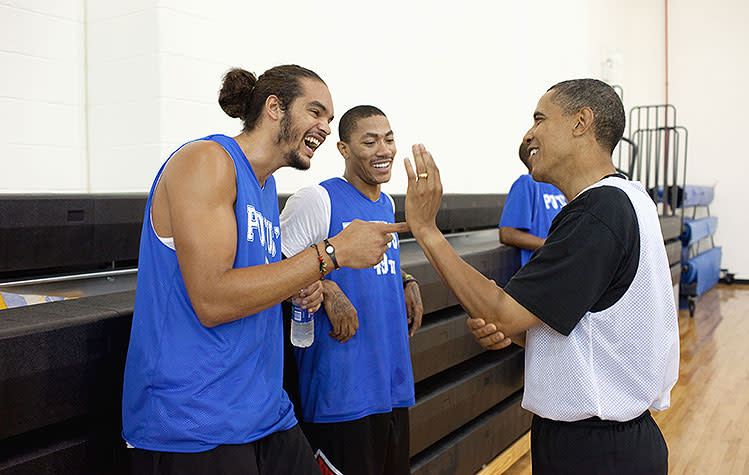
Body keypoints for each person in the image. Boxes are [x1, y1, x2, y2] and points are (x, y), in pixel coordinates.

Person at [121, 65, 407, 475]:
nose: (326, 127)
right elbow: (213, 298)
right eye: (316, 112)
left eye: (329, 118)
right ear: (275, 108)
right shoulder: (206, 160)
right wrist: (330, 254)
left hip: (264, 413)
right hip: (194, 425)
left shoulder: (266, 186)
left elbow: (255, 283)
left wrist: (302, 286)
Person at [402, 79, 679, 474]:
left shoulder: (597, 211)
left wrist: (426, 230)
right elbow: (595, 327)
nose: (528, 134)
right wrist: (519, 332)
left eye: (539, 119)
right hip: (613, 442)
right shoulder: (630, 198)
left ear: (581, 122)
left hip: (596, 451)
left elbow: (501, 313)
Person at [279, 105, 422, 475]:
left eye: (389, 139)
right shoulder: (316, 200)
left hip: (390, 389)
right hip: (339, 397)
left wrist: (405, 279)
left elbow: (368, 265)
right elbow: (273, 273)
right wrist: (326, 287)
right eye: (369, 141)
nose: (383, 150)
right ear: (343, 149)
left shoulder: (388, 204)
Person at [499, 142, 566, 266]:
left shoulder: (560, 188)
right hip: (542, 271)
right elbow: (507, 233)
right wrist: (552, 246)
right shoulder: (527, 183)